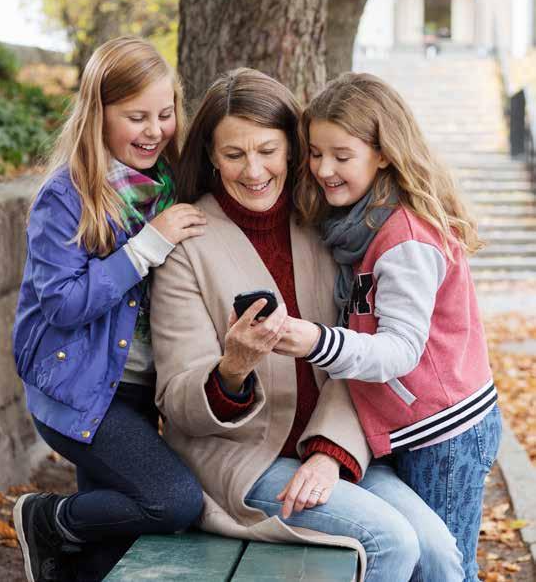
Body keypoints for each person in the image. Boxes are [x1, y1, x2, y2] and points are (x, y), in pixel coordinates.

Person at [150, 67, 464, 582]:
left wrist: (329, 454)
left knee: (438, 554)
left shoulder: (322, 226)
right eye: (234, 155)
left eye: (267, 150)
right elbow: (177, 403)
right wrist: (234, 368)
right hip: (244, 458)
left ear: (292, 150)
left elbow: (356, 353)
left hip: (330, 443)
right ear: (210, 156)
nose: (253, 171)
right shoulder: (188, 245)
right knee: (390, 542)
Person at [276, 72, 501, 581]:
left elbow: (400, 351)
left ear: (382, 153)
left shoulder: (403, 237)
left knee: (446, 566)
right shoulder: (361, 224)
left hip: (443, 432)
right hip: (403, 426)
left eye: (341, 154)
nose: (323, 168)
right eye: (314, 152)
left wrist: (316, 341)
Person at [11, 36, 206, 582]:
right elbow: (63, 303)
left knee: (108, 551)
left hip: (137, 388)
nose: (154, 130)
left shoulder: (169, 189)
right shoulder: (67, 196)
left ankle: (62, 557)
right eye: (136, 116)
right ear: (99, 115)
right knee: (174, 502)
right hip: (76, 392)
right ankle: (46, 519)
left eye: (164, 114)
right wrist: (146, 247)